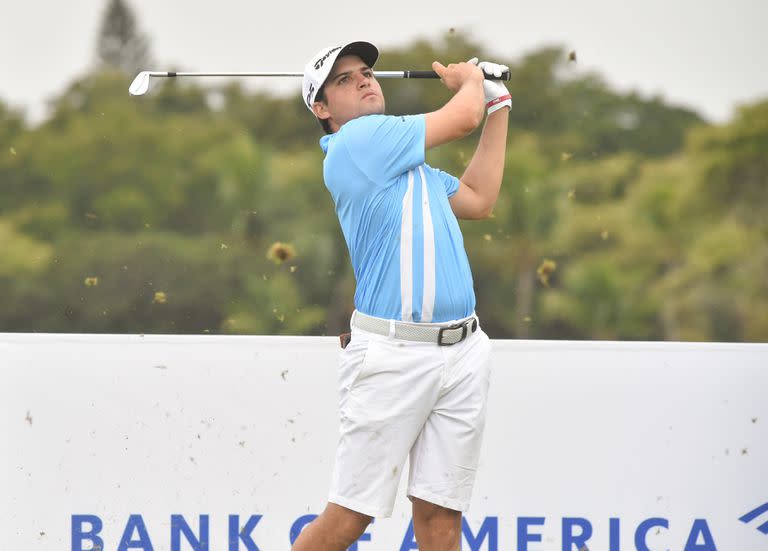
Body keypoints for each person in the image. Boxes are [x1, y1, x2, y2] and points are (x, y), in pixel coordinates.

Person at [292, 40, 511, 551]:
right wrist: (472, 81)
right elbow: (458, 120)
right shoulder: (357, 144)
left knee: (440, 517)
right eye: (343, 80)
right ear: (322, 110)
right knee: (349, 517)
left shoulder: (409, 170)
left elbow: (478, 199)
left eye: (366, 71)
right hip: (393, 355)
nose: (365, 80)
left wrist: (497, 107)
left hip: (462, 352)